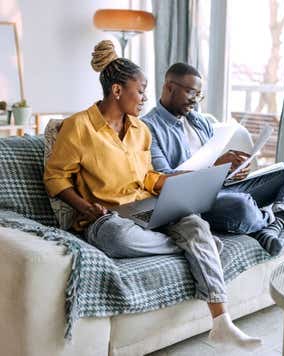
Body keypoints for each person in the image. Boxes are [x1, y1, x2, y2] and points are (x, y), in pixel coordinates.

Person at [44, 41, 261, 349]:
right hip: (109, 217)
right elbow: (55, 177)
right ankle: (194, 248)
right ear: (117, 91)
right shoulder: (78, 127)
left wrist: (176, 185)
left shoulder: (139, 130)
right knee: (117, 238)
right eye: (141, 90)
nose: (146, 97)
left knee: (195, 224)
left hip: (147, 204)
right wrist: (84, 206)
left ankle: (221, 321)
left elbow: (146, 176)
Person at [142, 62, 284, 256]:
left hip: (223, 188)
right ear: (169, 87)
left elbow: (213, 164)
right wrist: (216, 167)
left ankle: (273, 225)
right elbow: (165, 181)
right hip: (193, 202)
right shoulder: (148, 128)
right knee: (241, 206)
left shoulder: (199, 121)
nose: (195, 101)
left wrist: (232, 171)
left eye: (199, 95)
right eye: (191, 93)